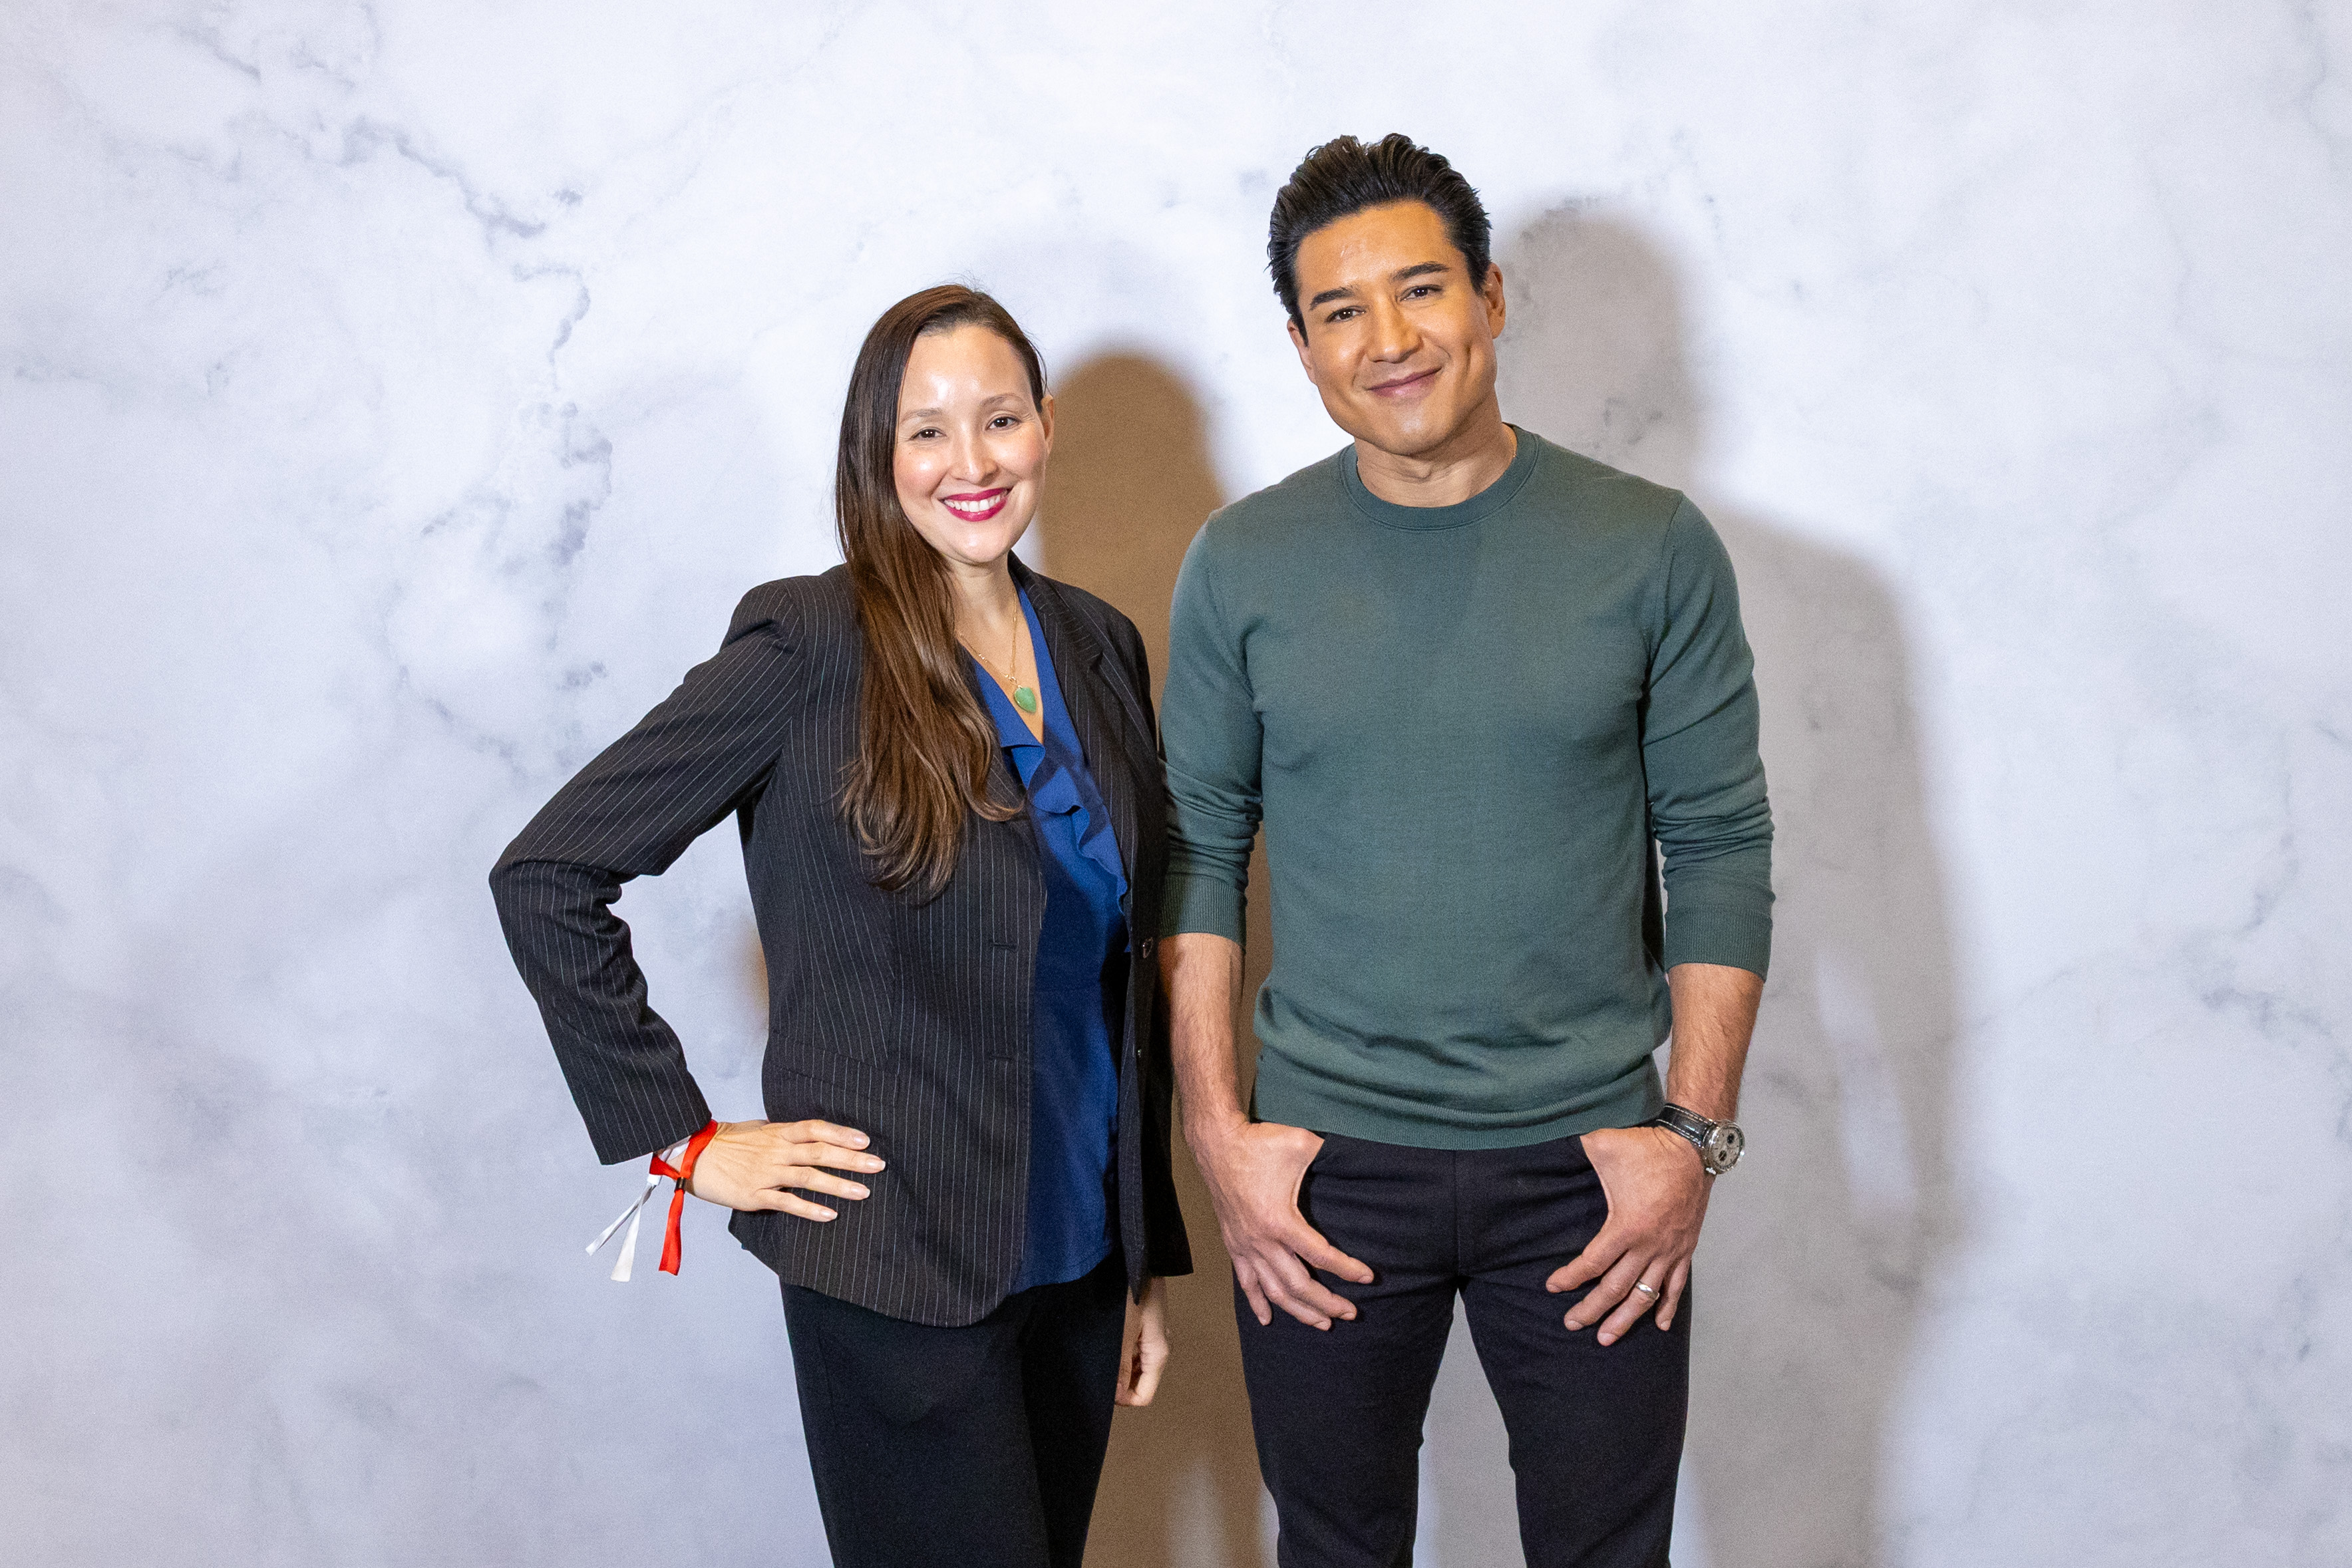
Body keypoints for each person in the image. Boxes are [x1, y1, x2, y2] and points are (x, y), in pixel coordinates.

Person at [490, 283, 1191, 1568]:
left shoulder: (1099, 644)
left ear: (1046, 426)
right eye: (927, 431)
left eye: (1000, 419)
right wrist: (683, 1142)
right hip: (898, 1262)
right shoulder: (811, 642)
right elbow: (548, 872)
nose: (971, 462)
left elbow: (1118, 976)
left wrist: (1141, 1257)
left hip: (1081, 1255)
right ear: (878, 453)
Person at [1158, 134, 1772, 1568]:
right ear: (1301, 347)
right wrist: (1219, 1139)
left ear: (1490, 296)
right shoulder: (1241, 564)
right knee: (1334, 1551)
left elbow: (1719, 846)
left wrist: (1690, 1140)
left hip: (1589, 1165)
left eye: (1421, 289)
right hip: (1322, 1168)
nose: (1389, 339)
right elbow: (1198, 851)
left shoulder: (1651, 547)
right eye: (1341, 310)